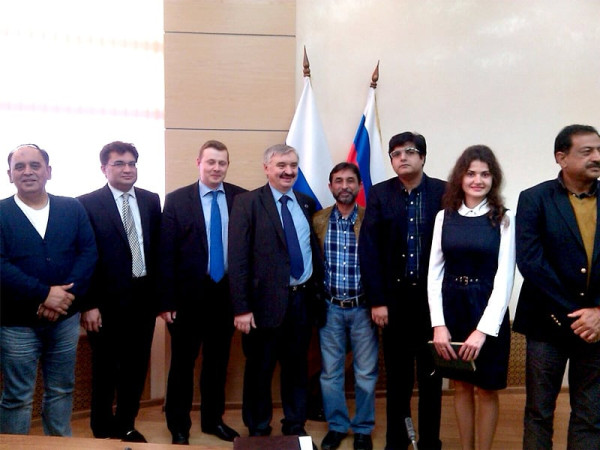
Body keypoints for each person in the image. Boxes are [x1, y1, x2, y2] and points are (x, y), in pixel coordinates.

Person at [0, 144, 97, 436]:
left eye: (35, 165)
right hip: (16, 323)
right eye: (19, 167)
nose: (27, 171)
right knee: (17, 396)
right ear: (9, 175)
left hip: (65, 320)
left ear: (48, 171)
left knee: (61, 389)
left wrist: (62, 299)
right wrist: (44, 294)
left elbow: (88, 253)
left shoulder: (72, 207)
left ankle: (58, 444)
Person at [229, 143, 324, 440]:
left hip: (302, 302)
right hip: (262, 305)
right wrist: (242, 308)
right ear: (267, 168)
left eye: (293, 165)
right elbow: (238, 259)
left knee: (297, 369)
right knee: (260, 369)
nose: (288, 171)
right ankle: (258, 428)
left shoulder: (306, 202)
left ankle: (295, 425)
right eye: (281, 165)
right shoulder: (247, 203)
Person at [514, 124, 600, 449]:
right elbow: (531, 263)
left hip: (597, 328)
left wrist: (598, 313)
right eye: (587, 151)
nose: (597, 157)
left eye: (599, 150)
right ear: (561, 158)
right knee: (539, 412)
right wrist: (580, 313)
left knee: (591, 415)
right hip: (545, 325)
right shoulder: (534, 199)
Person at [359, 132, 446, 450]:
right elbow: (369, 249)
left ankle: (430, 442)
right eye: (396, 154)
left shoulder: (444, 192)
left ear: (422, 157)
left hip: (432, 303)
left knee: (431, 378)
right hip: (394, 303)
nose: (402, 157)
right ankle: (397, 441)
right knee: (398, 380)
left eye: (410, 151)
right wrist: (377, 300)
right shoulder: (380, 194)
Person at [428, 145, 515, 450]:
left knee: (487, 388)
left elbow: (504, 279)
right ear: (460, 178)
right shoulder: (444, 217)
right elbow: (434, 275)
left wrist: (483, 330)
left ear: (494, 179)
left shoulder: (503, 219)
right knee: (461, 385)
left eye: (485, 174)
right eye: (471, 174)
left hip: (487, 309)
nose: (478, 180)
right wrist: (439, 325)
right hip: (453, 308)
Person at [159, 140, 246, 445]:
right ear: (199, 163)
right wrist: (166, 300)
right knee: (182, 364)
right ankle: (178, 426)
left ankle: (213, 421)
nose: (216, 168)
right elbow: (166, 254)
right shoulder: (177, 200)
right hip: (186, 299)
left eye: (222, 163)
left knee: (217, 363)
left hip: (225, 296)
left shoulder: (241, 198)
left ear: (227, 165)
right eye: (211, 162)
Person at [78, 141, 161, 443]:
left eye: (132, 163)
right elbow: (83, 256)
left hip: (143, 299)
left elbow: (158, 250)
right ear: (104, 168)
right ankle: (102, 429)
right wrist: (88, 304)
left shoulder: (151, 200)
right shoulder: (86, 203)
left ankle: (126, 424)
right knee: (105, 369)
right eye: (119, 163)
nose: (127, 169)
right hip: (105, 304)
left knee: (135, 369)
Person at [313, 162, 378, 450]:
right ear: (330, 186)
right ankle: (337, 426)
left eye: (350, 180)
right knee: (331, 374)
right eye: (338, 181)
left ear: (360, 186)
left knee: (365, 373)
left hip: (363, 308)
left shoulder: (370, 219)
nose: (344, 186)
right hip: (330, 308)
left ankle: (363, 428)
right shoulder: (319, 220)